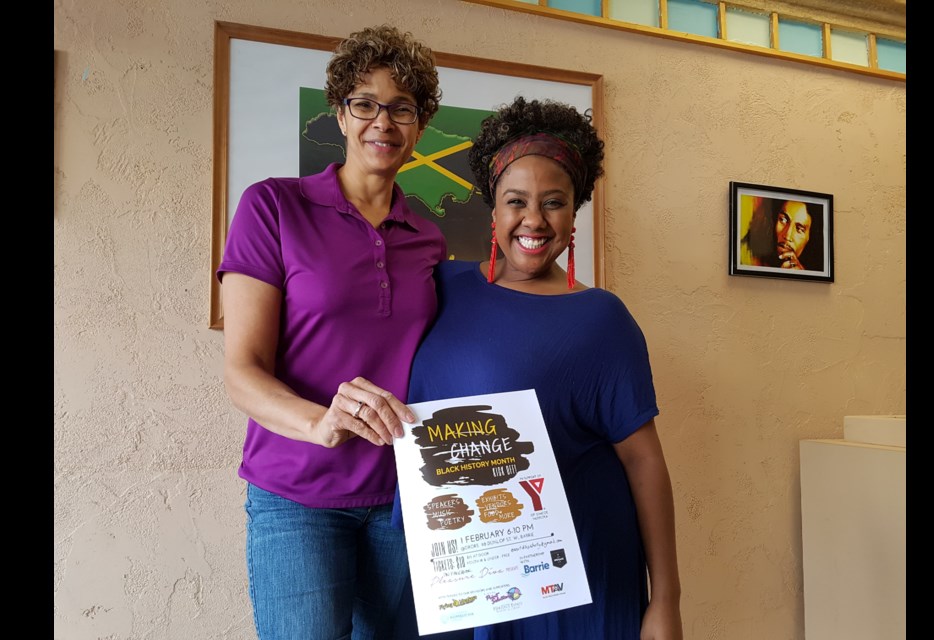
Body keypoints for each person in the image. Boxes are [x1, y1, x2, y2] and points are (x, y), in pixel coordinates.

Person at [401, 96, 683, 639]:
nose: (533, 220)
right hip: (460, 575)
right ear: (493, 208)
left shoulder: (602, 319)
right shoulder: (441, 288)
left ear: (573, 212)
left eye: (553, 202)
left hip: (570, 585)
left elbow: (645, 463)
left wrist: (666, 599)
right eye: (516, 201)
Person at [217, 24, 445, 640]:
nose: (384, 122)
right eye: (365, 103)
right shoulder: (271, 206)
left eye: (403, 108)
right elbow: (242, 370)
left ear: (420, 125)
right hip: (297, 497)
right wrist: (318, 424)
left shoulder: (429, 237)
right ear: (340, 114)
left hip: (403, 499)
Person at [741, 198, 820, 270]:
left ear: (809, 237)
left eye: (799, 229)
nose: (787, 235)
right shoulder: (745, 258)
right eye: (783, 220)